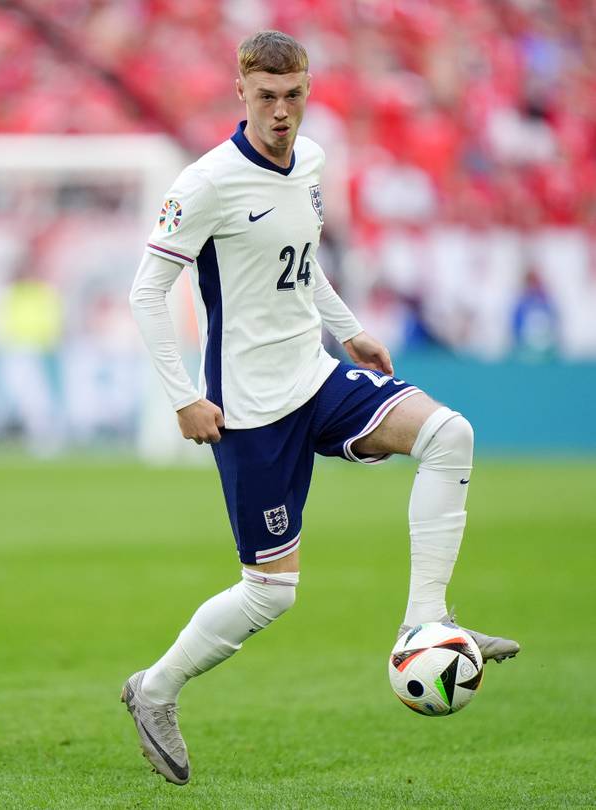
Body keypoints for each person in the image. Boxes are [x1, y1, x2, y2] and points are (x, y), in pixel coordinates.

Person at [123, 30, 519, 786]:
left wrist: (351, 331)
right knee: (271, 591)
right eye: (266, 96)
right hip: (248, 408)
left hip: (315, 374)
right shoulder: (204, 184)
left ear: (309, 89)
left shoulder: (311, 161)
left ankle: (425, 621)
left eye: (294, 95)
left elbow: (299, 269)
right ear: (240, 92)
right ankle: (155, 689)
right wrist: (184, 398)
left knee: (448, 433)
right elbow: (145, 292)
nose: (281, 111)